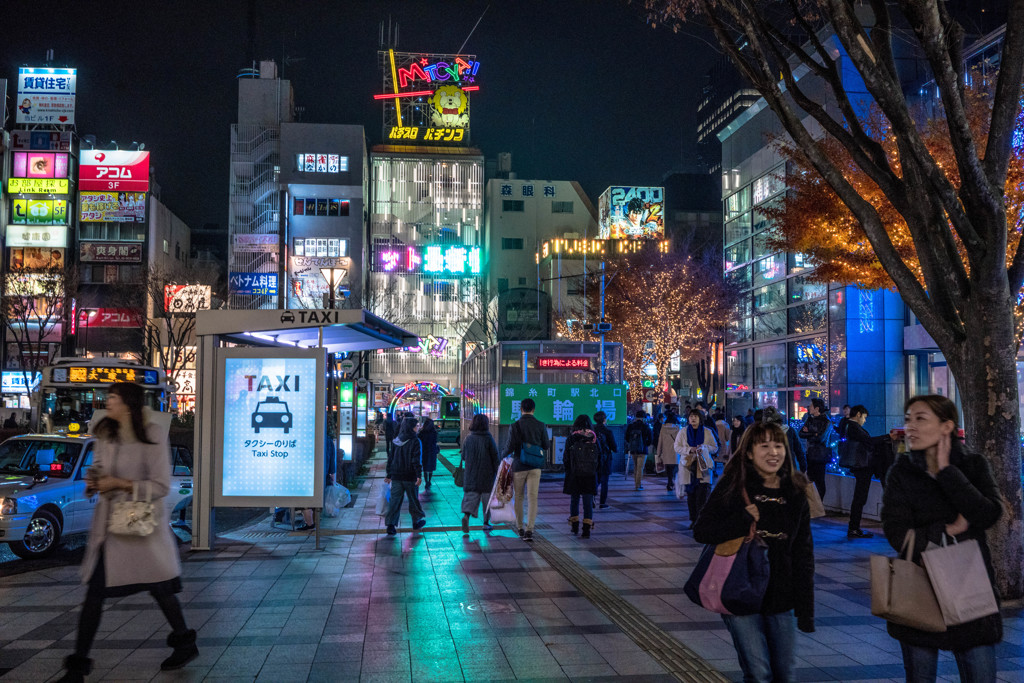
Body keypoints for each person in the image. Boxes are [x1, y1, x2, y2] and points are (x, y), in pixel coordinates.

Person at [59, 383, 198, 682]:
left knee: (160, 586)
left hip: (140, 525)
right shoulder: (105, 432)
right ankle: (76, 668)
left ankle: (185, 641)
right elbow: (98, 467)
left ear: (129, 403)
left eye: (113, 397)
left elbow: (160, 486)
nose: (107, 402)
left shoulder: (152, 434)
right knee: (97, 594)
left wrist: (120, 485)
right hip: (110, 531)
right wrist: (94, 481)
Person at [881, 395, 1003, 682]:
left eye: (920, 418)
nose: (910, 426)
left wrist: (946, 472)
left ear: (947, 426)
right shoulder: (902, 471)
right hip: (919, 589)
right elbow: (896, 533)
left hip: (970, 588)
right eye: (908, 418)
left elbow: (989, 514)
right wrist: (947, 531)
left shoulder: (973, 465)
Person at [693, 421, 815, 682]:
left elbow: (803, 551)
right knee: (759, 672)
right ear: (748, 452)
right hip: (739, 591)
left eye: (778, 445)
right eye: (764, 446)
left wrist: (806, 607)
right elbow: (702, 530)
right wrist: (741, 520)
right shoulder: (733, 486)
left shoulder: (795, 492)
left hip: (781, 595)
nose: (774, 452)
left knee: (784, 673)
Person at [502, 398, 550, 541]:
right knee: (533, 498)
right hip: (535, 466)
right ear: (533, 409)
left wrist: (502, 456)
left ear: (521, 409)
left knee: (519, 497)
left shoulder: (515, 425)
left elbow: (510, 446)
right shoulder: (541, 425)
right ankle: (530, 529)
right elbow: (546, 445)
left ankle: (520, 528)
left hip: (519, 466)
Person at [839, 405, 886, 538]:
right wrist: (887, 436)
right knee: (860, 498)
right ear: (858, 414)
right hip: (862, 467)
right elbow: (868, 440)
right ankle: (854, 528)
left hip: (860, 467)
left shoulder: (848, 426)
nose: (865, 421)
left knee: (860, 497)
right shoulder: (853, 427)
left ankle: (854, 527)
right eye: (864, 417)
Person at [384, 417, 427, 535]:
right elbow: (416, 460)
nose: (418, 428)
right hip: (410, 476)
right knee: (413, 500)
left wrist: (389, 474)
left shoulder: (396, 440)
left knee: (395, 501)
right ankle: (416, 521)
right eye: (416, 426)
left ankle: (391, 525)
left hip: (397, 476)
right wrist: (419, 475)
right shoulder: (415, 441)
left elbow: (391, 458)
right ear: (411, 427)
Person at [674, 409, 717, 526]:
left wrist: (704, 447)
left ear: (700, 419)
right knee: (691, 496)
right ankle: (693, 519)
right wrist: (689, 449)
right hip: (688, 467)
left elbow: (715, 447)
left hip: (703, 467)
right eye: (691, 416)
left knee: (702, 496)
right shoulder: (683, 432)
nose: (693, 419)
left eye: (696, 416)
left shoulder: (707, 432)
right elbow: (676, 447)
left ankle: (700, 520)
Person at [460, 414, 499, 534]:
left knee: (470, 497)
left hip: (471, 474)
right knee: (487, 500)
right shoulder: (488, 438)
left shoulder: (468, 438)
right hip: (487, 474)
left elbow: (463, 456)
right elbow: (495, 457)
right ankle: (486, 524)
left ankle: (466, 516)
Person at [562, 414, 600, 538]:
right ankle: (587, 529)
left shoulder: (571, 438)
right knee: (588, 501)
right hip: (590, 474)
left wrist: (568, 470)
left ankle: (574, 526)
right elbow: (600, 457)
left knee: (575, 499)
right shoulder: (594, 438)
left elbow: (566, 458)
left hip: (574, 473)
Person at [799, 398, 833, 498]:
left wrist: (809, 433)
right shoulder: (810, 419)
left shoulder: (826, 421)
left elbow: (821, 438)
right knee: (810, 480)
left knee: (819, 481)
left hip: (820, 455)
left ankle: (819, 505)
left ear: (817, 408)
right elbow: (801, 433)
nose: (808, 407)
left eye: (810, 406)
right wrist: (814, 433)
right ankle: (813, 505)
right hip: (810, 454)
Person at [762, 406, 805, 473]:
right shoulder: (789, 430)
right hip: (789, 466)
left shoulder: (764, 433)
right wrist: (803, 466)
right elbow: (799, 450)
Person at [592, 411, 617, 509]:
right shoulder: (607, 431)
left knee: (595, 480)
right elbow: (614, 447)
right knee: (604, 482)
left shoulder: (591, 431)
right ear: (604, 420)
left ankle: (591, 498)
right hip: (605, 459)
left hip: (593, 460)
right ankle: (602, 503)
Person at [624, 410, 653, 490]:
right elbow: (650, 439)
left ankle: (636, 484)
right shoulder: (646, 426)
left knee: (635, 467)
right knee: (640, 468)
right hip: (643, 450)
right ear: (643, 418)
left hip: (633, 450)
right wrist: (645, 444)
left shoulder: (631, 426)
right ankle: (638, 485)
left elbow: (626, 438)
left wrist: (632, 444)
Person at [656, 412, 681, 492]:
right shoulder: (678, 428)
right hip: (675, 452)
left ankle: (669, 482)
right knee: (674, 468)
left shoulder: (663, 428)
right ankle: (672, 482)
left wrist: (658, 453)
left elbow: (660, 441)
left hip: (666, 452)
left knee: (668, 469)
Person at [418, 417, 439, 489]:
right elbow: (435, 442)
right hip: (432, 451)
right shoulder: (434, 432)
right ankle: (429, 481)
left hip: (424, 451)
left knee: (425, 467)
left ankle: (426, 481)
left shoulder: (422, 433)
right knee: (431, 467)